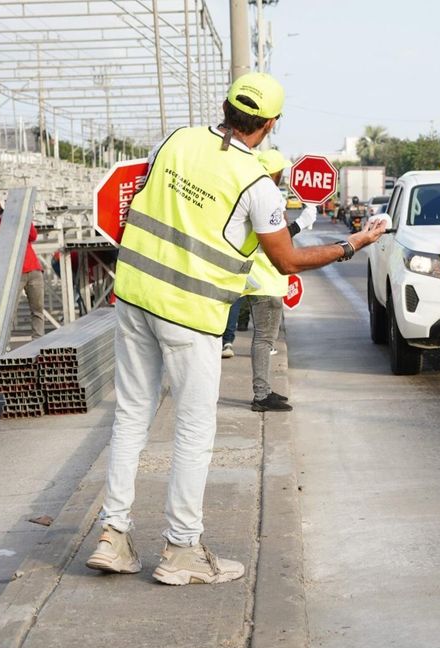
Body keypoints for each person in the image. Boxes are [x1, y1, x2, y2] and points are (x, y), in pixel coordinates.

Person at [85, 72, 387, 586]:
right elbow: (286, 259)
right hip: (190, 313)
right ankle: (181, 548)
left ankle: (112, 536)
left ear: (225, 107)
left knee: (132, 417)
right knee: (193, 431)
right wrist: (354, 243)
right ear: (270, 124)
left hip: (134, 297)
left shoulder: (176, 140)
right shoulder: (257, 186)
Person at [246, 148, 316, 412]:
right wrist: (301, 225)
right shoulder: (265, 196)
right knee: (264, 339)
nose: (283, 175)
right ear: (272, 173)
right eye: (280, 171)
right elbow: (274, 241)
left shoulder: (255, 193)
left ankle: (264, 390)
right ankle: (262, 396)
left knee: (264, 339)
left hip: (262, 277)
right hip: (266, 279)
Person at [0, 188, 45, 338]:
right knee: (9, 311)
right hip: (14, 272)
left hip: (32, 267)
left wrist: (24, 219)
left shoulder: (16, 215)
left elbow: (32, 236)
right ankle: (3, 343)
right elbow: (6, 244)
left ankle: (38, 340)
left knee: (37, 309)